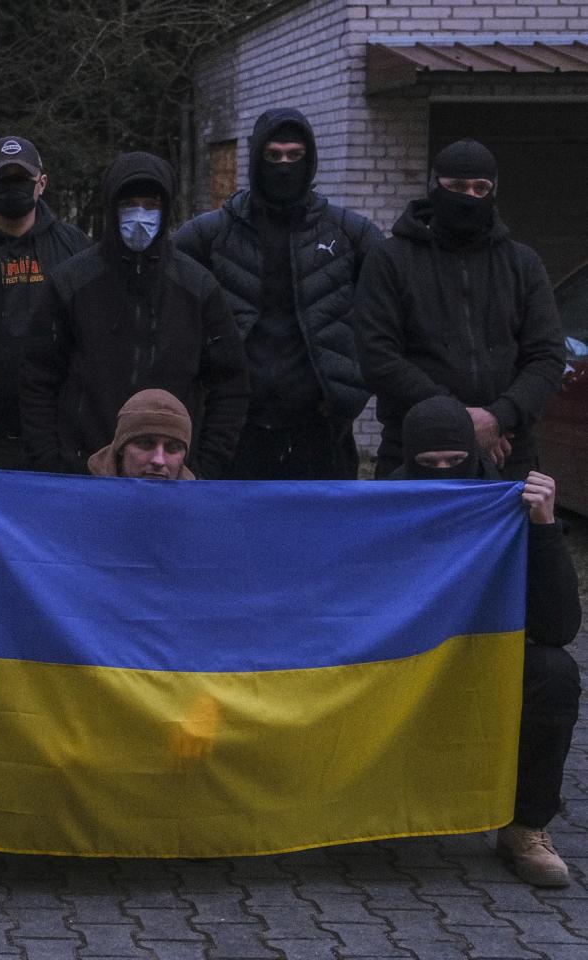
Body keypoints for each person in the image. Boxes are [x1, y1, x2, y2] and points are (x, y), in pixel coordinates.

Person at [384, 396, 580, 888]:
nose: (445, 476)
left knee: (554, 672)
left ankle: (526, 827)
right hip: (389, 664)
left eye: (456, 463)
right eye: (429, 467)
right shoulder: (381, 510)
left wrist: (544, 530)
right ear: (408, 464)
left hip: (478, 660)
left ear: (477, 457)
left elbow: (559, 627)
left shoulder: (506, 508)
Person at [174, 108, 383, 479]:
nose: (284, 165)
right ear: (256, 159)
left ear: (310, 159)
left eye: (294, 155)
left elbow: (384, 319)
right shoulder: (208, 236)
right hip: (233, 427)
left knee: (319, 533)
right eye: (273, 155)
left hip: (321, 427)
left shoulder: (351, 235)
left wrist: (351, 388)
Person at [18, 151, 248, 478]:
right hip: (84, 474)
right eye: (128, 204)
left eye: (151, 204)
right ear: (111, 208)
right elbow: (37, 378)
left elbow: (231, 383)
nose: (140, 215)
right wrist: (53, 462)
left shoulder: (197, 288)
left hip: (172, 475)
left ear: (166, 208)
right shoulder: (71, 283)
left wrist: (203, 466)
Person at [355, 140, 564, 480]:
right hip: (416, 454)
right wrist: (460, 419)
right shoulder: (390, 260)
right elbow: (377, 356)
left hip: (508, 451)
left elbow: (547, 355)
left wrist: (499, 417)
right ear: (434, 187)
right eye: (456, 187)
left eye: (480, 188)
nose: (468, 197)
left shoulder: (522, 264)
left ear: (494, 191)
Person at [0, 136, 90, 469]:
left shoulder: (75, 247)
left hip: (58, 434)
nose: (14, 188)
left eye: (22, 180)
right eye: (3, 180)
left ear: (41, 184)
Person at [0, 388, 196, 524]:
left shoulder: (202, 517)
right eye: (146, 444)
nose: (159, 460)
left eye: (172, 448)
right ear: (121, 447)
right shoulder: (75, 510)